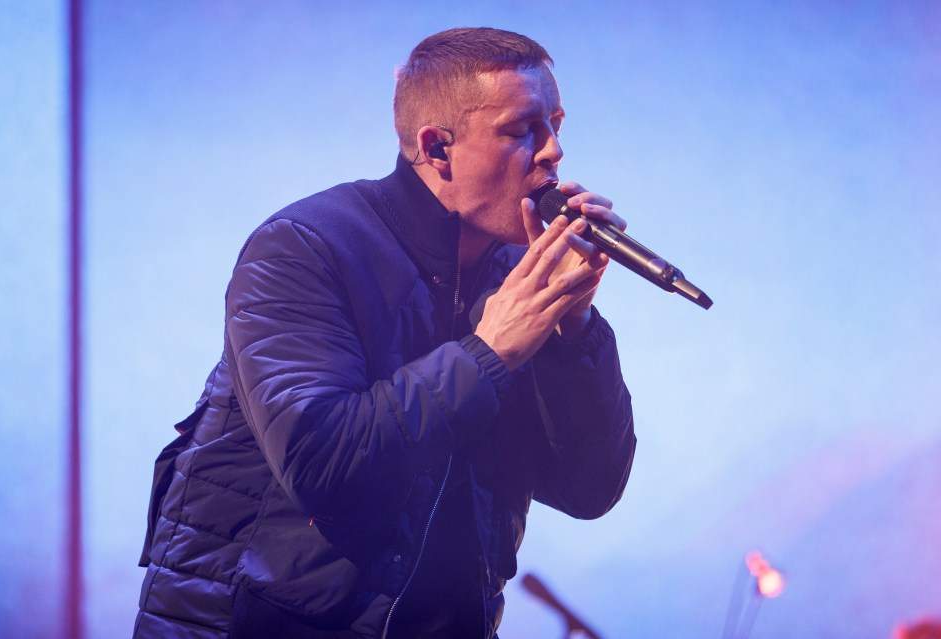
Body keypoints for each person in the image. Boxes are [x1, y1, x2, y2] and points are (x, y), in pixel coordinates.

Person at [135, 26, 636, 639]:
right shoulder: (305, 247)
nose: (553, 151)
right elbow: (323, 464)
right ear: (436, 147)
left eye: (555, 125)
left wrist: (572, 328)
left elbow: (589, 489)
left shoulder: (516, 275)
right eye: (520, 129)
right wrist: (489, 353)